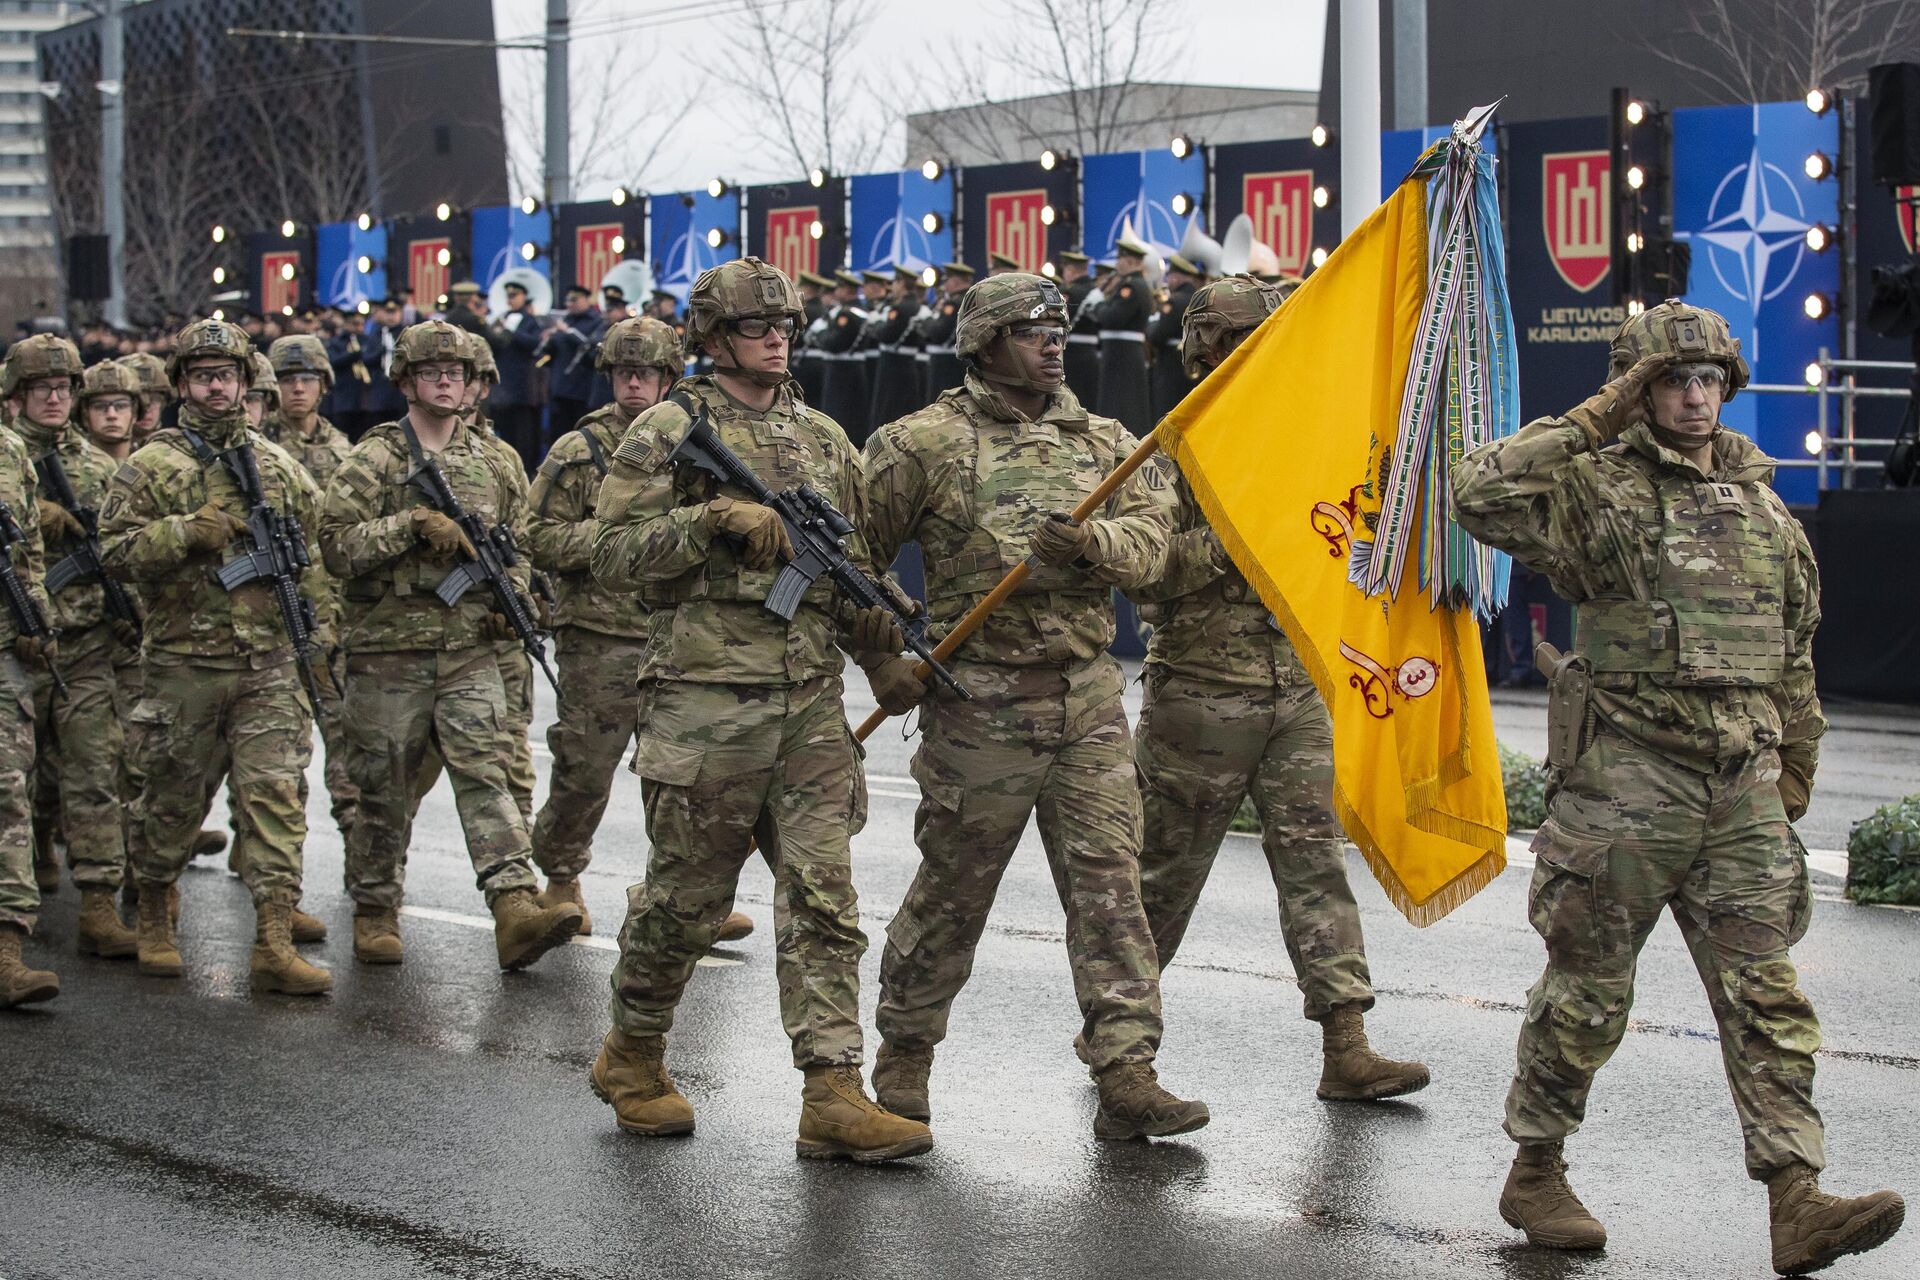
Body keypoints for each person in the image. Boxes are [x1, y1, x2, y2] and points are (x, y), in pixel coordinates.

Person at [1452, 300, 1907, 1273]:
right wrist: (1595, 416)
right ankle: (1537, 1165)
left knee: (1768, 995)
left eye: (1707, 379)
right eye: (1670, 379)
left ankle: (1796, 1198)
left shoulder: (1762, 503)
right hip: (1630, 774)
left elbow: (1795, 651)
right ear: (1636, 390)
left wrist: (1793, 773)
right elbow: (1476, 492)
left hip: (1739, 782)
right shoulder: (1595, 492)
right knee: (1588, 989)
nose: (1694, 395)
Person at [586, 256, 930, 1163]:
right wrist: (710, 525)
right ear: (710, 337)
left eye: (783, 323)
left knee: (825, 899)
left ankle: (831, 1092)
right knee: (686, 903)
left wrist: (885, 650)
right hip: (704, 702)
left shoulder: (820, 434)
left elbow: (840, 571)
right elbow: (607, 553)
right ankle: (632, 1050)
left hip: (809, 703)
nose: (776, 336)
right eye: (754, 325)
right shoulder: (667, 429)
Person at [860, 272, 1206, 1141]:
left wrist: (1093, 542)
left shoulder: (1107, 443)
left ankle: (1127, 1071)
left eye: (1060, 329)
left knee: (1111, 892)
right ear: (983, 344)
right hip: (978, 703)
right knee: (954, 890)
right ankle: (903, 1055)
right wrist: (883, 657)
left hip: (1086, 701)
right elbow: (853, 559)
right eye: (1030, 331)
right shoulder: (921, 444)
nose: (1054, 343)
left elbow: (1154, 544)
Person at [1125, 276, 1428, 1103]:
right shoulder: (1175, 446)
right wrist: (1237, 539)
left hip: (1296, 690)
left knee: (1314, 867)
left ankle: (1347, 1043)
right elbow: (1148, 578)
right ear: (1210, 351)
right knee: (1163, 879)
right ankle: (1119, 1046)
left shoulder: (1308, 444)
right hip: (1201, 693)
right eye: (1248, 338)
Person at [318, 320, 580, 970]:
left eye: (457, 372)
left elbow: (521, 545)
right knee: (383, 790)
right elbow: (334, 545)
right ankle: (376, 904)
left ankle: (514, 907)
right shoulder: (376, 458)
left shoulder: (495, 461)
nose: (446, 379)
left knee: (487, 775)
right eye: (431, 370)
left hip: (468, 653)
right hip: (388, 655)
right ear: (405, 380)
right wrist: (408, 526)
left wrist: (513, 604)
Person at [98, 319, 332, 995]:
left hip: (267, 666)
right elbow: (112, 555)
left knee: (276, 800)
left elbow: (312, 558)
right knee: (169, 801)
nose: (215, 387)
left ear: (242, 383)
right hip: (184, 664)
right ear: (182, 385)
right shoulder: (151, 464)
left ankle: (274, 938)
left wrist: (318, 642)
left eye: (225, 375)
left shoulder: (277, 465)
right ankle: (152, 912)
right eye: (202, 376)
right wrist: (182, 533)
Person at [523, 316, 755, 944]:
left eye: (646, 372)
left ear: (668, 377)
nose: (633, 382)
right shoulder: (580, 450)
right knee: (585, 766)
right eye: (624, 372)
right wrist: (614, 542)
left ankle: (682, 895)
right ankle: (561, 876)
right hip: (598, 634)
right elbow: (534, 534)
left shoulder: (697, 443)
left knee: (684, 775)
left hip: (679, 630)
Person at [1, 336, 139, 959]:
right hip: (14, 642)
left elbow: (124, 549)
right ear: (16, 398)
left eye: (63, 390)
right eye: (41, 390)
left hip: (82, 645)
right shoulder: (9, 462)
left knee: (94, 772)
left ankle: (99, 903)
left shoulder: (100, 468)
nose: (55, 399)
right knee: (18, 782)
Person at [263, 335, 357, 849]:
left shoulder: (345, 450)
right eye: (286, 379)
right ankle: (260, 847)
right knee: (277, 756)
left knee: (347, 745)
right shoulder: (256, 449)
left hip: (333, 618)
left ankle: (361, 864)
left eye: (307, 379)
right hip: (272, 621)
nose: (297, 388)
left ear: (324, 385)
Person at [0, 410, 56, 1006]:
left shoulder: (9, 449)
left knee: (7, 793)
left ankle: (6, 952)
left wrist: (35, 616)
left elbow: (30, 551)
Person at [1088, 233, 1153, 434]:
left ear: (1131, 261)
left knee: (1122, 404)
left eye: (1120, 259)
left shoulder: (1130, 286)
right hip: (1122, 354)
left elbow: (1113, 317)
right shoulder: (1132, 284)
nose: (1117, 263)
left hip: (1122, 355)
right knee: (1121, 401)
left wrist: (1098, 305)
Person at [490, 281, 546, 473]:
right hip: (504, 387)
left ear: (523, 297)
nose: (511, 300)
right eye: (509, 296)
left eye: (514, 296)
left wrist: (512, 332)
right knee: (506, 433)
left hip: (524, 387)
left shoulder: (530, 320)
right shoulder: (503, 318)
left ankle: (526, 470)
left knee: (525, 435)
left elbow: (535, 343)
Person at [868, 265, 925, 428]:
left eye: (894, 282)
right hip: (908, 365)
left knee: (889, 410)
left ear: (901, 283)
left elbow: (886, 335)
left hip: (893, 365)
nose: (892, 287)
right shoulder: (916, 305)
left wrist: (878, 324)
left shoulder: (901, 308)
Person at [542, 284, 602, 437]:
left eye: (574, 300)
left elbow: (590, 347)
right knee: (558, 434)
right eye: (568, 300)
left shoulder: (596, 321)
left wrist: (568, 332)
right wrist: (548, 339)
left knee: (580, 433)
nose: (569, 304)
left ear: (586, 299)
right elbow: (551, 352)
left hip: (581, 389)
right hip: (559, 387)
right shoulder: (565, 319)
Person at [1147, 254, 1201, 421]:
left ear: (1177, 278)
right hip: (1195, 362)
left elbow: (1157, 335)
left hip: (1172, 364)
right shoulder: (1199, 299)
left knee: (1168, 410)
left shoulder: (1175, 301)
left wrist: (1152, 323)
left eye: (1169, 277)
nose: (1168, 282)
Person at [919, 262, 971, 404]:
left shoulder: (953, 304)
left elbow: (938, 333)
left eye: (946, 280)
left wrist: (927, 321)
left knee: (941, 402)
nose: (944, 284)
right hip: (961, 361)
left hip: (946, 362)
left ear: (955, 281)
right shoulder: (970, 300)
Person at [1057, 251, 1101, 411]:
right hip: (1092, 352)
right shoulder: (1095, 290)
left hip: (1072, 352)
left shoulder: (1069, 292)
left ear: (1070, 270)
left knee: (1071, 397)